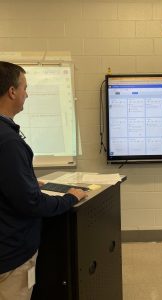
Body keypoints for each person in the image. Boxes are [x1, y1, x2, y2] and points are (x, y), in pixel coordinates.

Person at [0, 61, 87, 300]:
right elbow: (32, 204)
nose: (27, 94)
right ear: (12, 91)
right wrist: (70, 197)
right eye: (24, 87)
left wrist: (25, 180)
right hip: (10, 256)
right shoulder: (8, 142)